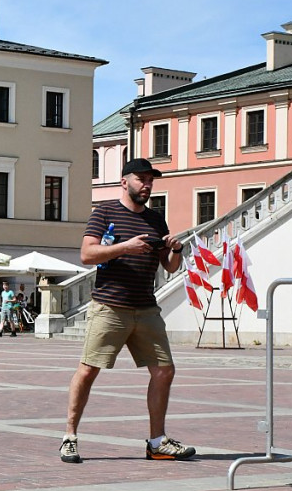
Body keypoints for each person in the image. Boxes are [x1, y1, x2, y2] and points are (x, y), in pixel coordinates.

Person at [60, 158, 195, 464]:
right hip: (110, 307)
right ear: (124, 182)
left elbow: (170, 267)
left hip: (146, 308)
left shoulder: (156, 220)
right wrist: (124, 247)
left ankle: (157, 442)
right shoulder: (105, 211)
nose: (147, 185)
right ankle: (69, 436)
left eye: (150, 180)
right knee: (89, 369)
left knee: (164, 370)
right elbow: (86, 254)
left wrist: (175, 250)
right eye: (141, 179)